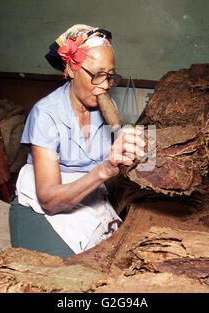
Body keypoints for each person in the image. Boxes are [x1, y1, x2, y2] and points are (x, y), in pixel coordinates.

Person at [9, 24, 145, 257]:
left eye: (110, 76)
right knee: (71, 275)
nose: (104, 85)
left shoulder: (106, 105)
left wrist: (129, 150)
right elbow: (50, 200)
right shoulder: (46, 114)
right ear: (72, 69)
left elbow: (113, 159)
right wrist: (105, 170)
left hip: (87, 196)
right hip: (45, 207)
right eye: (97, 75)